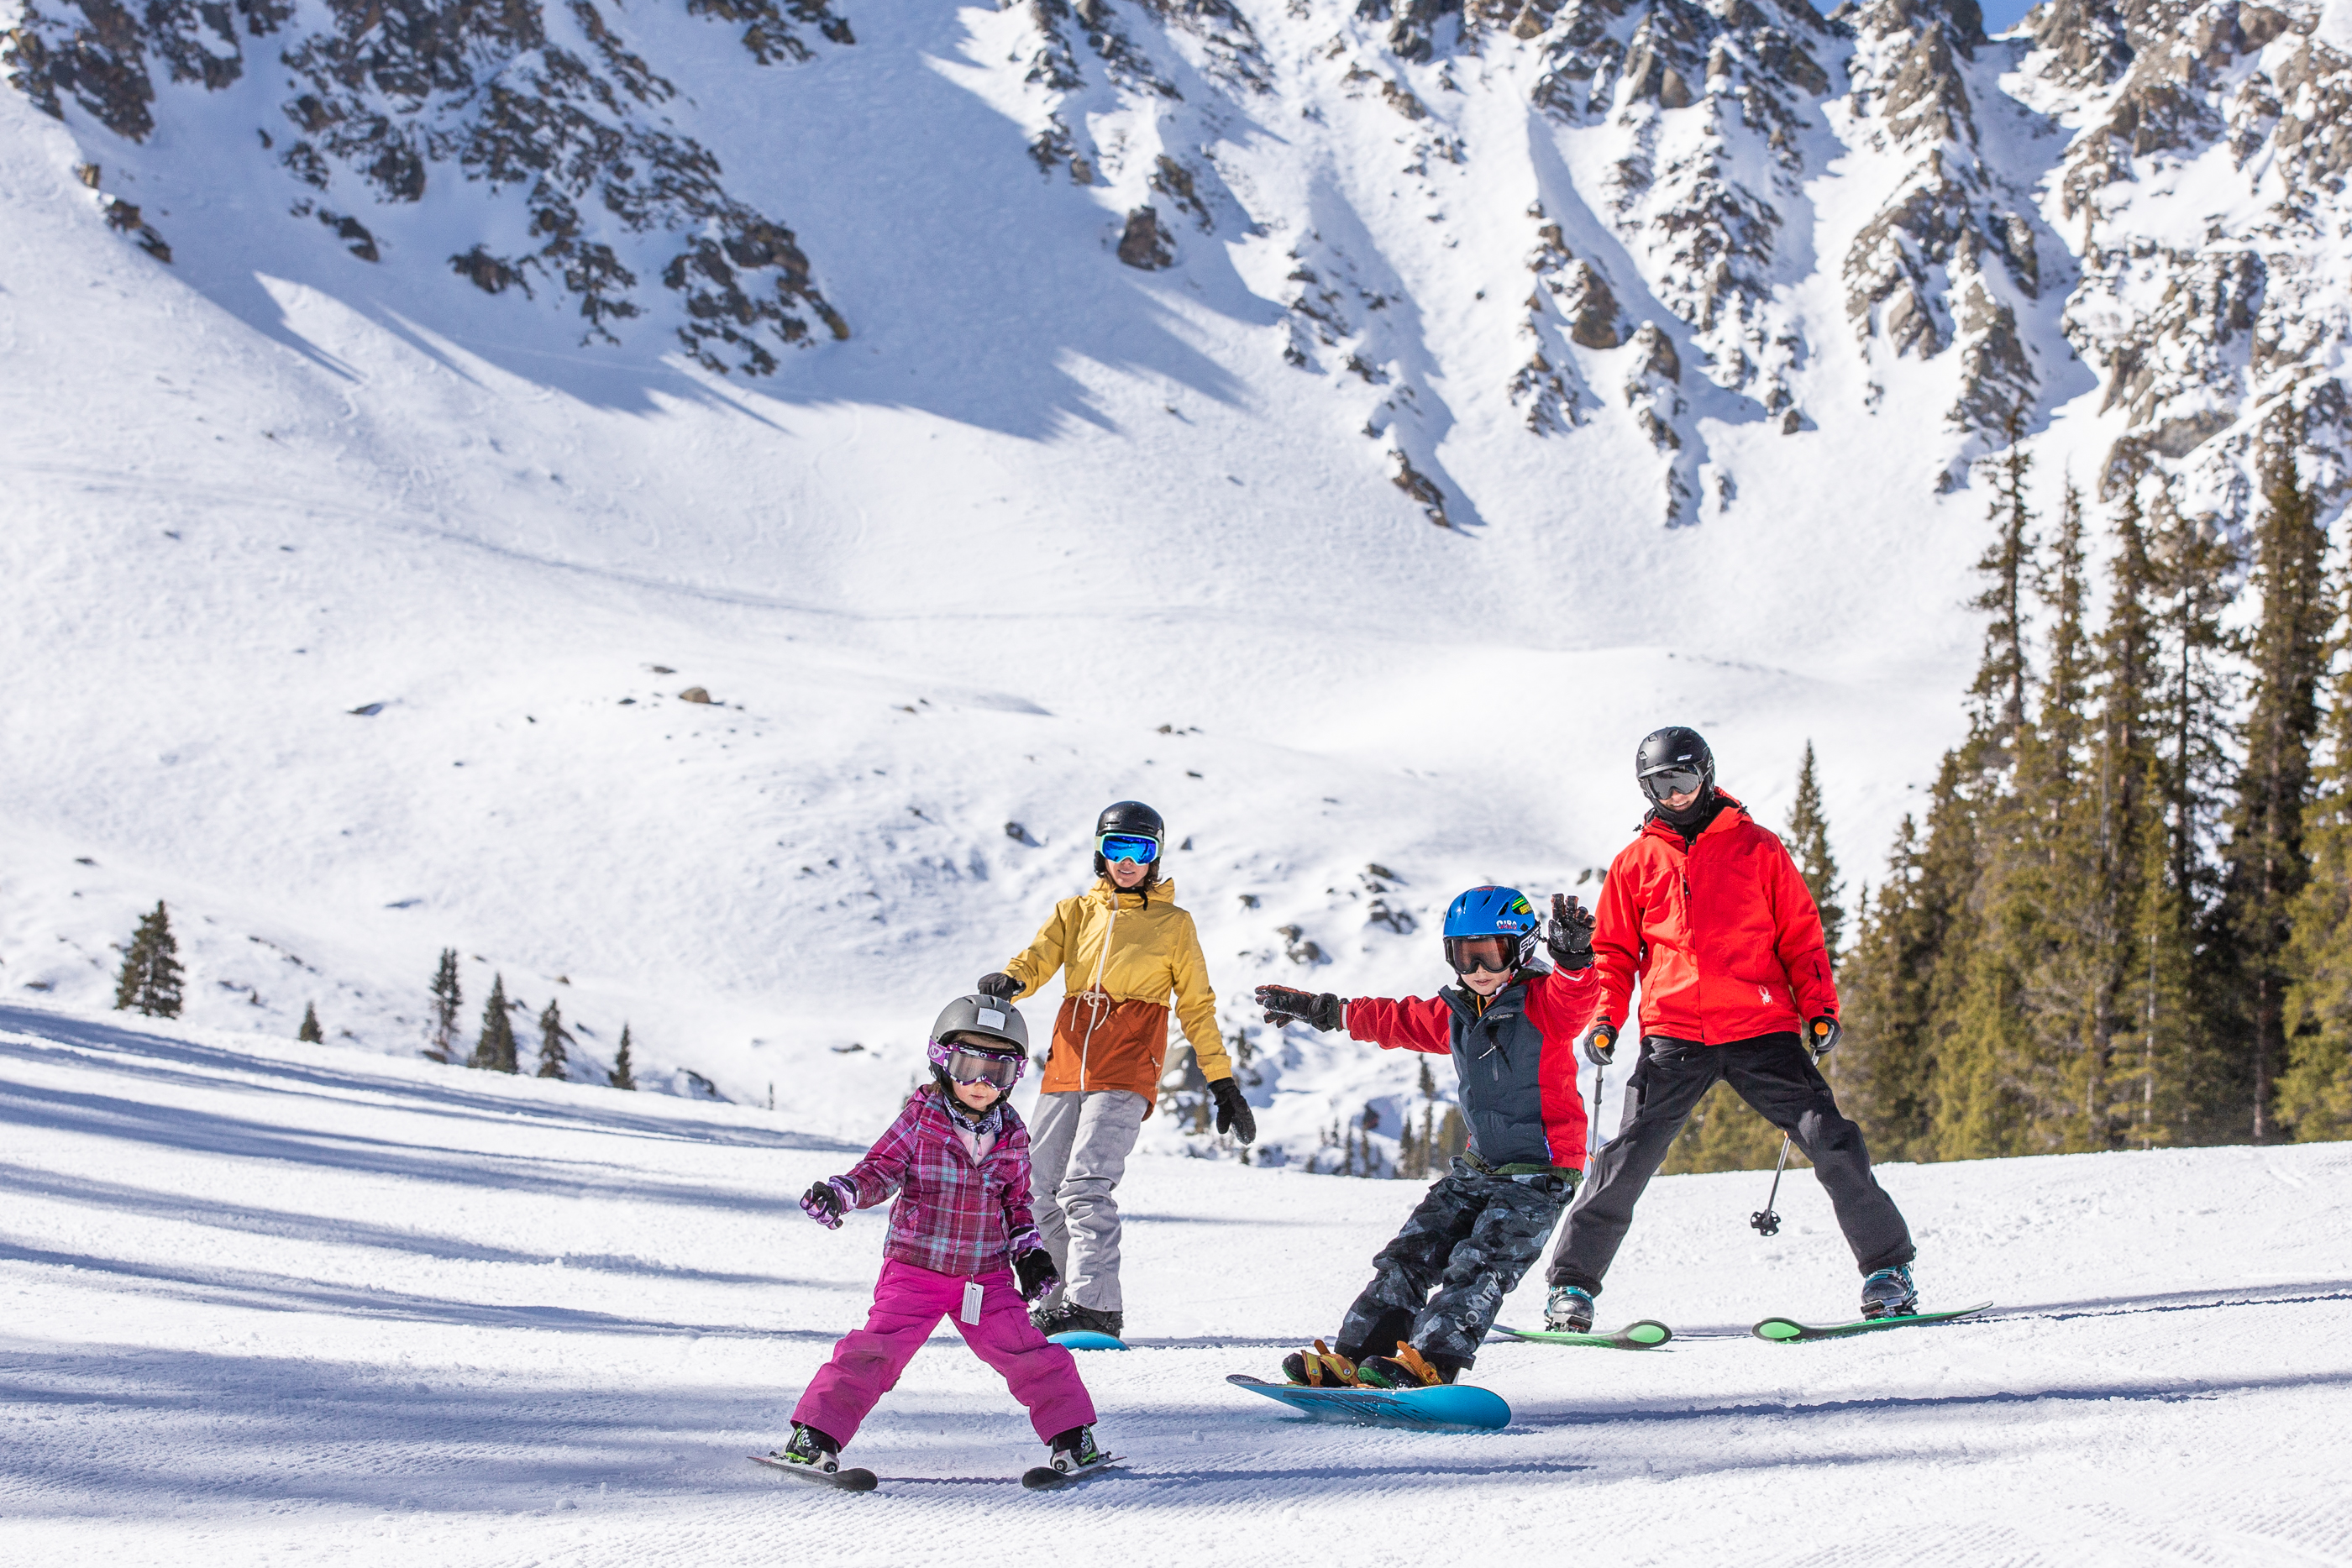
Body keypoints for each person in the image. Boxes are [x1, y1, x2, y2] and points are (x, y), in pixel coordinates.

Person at [1542, 726, 1919, 1331]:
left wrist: (1820, 1006)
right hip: (1674, 1036)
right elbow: (1614, 953)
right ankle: (1571, 1289)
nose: (1675, 794)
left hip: (1760, 1028)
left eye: (1684, 779)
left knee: (1830, 1138)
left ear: (1707, 775)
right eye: (1660, 784)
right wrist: (1606, 1019)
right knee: (1625, 1160)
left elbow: (1800, 933)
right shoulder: (1636, 862)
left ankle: (1887, 1272)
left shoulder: (1759, 848)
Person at [1254, 885, 1596, 1387]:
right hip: (1479, 1168)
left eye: (1491, 954)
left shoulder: (1544, 1005)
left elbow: (1578, 998)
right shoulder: (1459, 1012)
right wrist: (1324, 1011)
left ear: (1521, 949)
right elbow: (1394, 1020)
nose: (1478, 969)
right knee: (1409, 1254)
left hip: (1539, 1173)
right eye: (1465, 955)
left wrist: (1574, 961)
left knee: (1478, 1266)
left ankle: (1433, 1362)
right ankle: (1358, 1354)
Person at [775, 994, 1110, 1481]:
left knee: (1029, 1353)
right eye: (967, 1065)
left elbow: (1016, 1203)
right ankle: (813, 1437)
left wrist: (1031, 1256)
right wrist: (842, 1193)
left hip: (985, 1279)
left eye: (995, 1072)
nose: (980, 1083)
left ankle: (1073, 1438)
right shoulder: (921, 1118)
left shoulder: (1014, 1133)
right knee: (875, 1352)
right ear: (941, 1061)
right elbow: (880, 1170)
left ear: (1013, 1076)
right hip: (915, 1269)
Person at [978, 800, 1252, 1341]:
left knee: (1085, 1185)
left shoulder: (1174, 925)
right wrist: (1013, 981)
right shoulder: (1074, 912)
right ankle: (1054, 1302)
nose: (1128, 861)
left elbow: (1197, 1005)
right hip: (1067, 1062)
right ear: (1099, 852)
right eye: (1117, 847)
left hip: (1126, 1064)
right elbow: (1037, 959)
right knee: (1036, 1188)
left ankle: (1098, 1307)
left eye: (1141, 849)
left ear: (1156, 857)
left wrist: (1221, 1081)